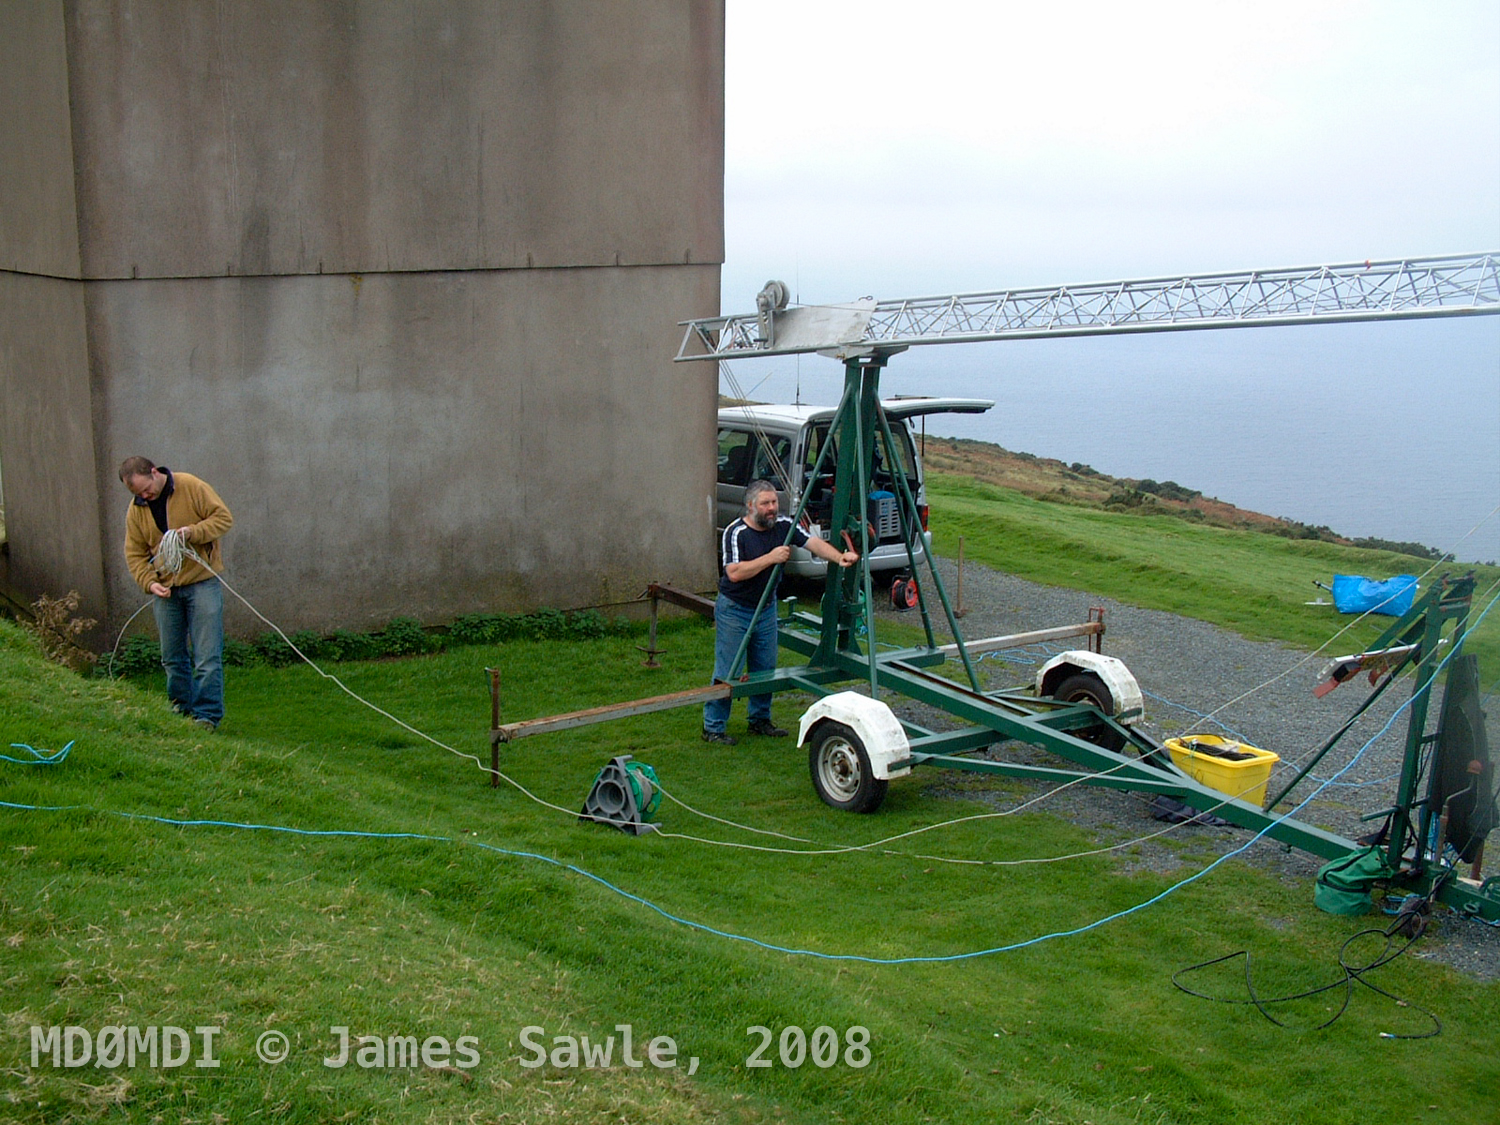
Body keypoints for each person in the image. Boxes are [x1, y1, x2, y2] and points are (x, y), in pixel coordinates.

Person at [703, 479, 857, 744]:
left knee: (765, 666)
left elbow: (812, 542)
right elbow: (734, 573)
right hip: (735, 610)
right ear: (750, 506)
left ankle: (760, 720)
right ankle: (713, 727)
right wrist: (771, 558)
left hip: (766, 609)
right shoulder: (735, 532)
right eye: (765, 503)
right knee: (729, 669)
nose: (772, 508)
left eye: (774, 502)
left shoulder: (784, 526)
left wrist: (838, 557)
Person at [119, 456, 234, 730]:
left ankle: (207, 716)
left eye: (146, 490)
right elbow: (134, 554)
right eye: (137, 494)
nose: (144, 496)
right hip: (166, 589)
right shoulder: (137, 509)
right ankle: (180, 711)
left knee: (207, 656)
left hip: (202, 582)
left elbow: (223, 519)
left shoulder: (191, 486)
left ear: (155, 472)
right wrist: (149, 583)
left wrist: (192, 533)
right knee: (172, 657)